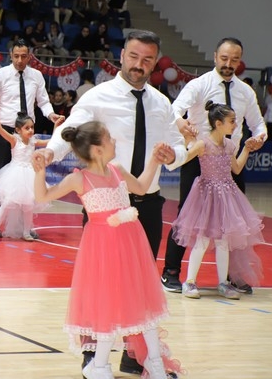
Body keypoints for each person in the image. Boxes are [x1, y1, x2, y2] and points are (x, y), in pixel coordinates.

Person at [33, 30, 187, 377]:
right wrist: (50, 153)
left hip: (145, 202)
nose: (139, 65)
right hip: (104, 209)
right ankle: (93, 357)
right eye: (134, 57)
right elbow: (70, 128)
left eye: (147, 59)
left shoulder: (161, 102)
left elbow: (177, 145)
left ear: (155, 62)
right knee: (100, 284)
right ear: (122, 55)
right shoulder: (99, 96)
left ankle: (137, 357)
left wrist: (171, 154)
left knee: (140, 285)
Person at [33, 121, 181, 379]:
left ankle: (154, 363)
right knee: (109, 303)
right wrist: (39, 171)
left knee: (140, 301)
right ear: (97, 149)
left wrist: (154, 162)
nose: (114, 142)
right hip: (103, 249)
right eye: (109, 139)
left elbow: (142, 188)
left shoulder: (117, 169)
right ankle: (99, 365)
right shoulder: (79, 178)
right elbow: (43, 196)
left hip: (131, 244)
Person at [161, 37, 267, 294]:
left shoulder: (245, 91)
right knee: (187, 218)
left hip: (229, 161)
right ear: (215, 56)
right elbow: (175, 109)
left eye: (234, 59)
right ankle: (171, 272)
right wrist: (181, 125)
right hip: (201, 159)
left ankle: (232, 276)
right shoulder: (199, 84)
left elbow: (258, 123)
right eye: (224, 58)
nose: (229, 64)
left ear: (240, 60)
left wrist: (259, 137)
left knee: (234, 222)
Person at [174, 101, 264, 300]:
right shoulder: (203, 144)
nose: (234, 124)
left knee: (224, 240)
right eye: (231, 121)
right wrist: (185, 139)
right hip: (207, 196)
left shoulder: (230, 144)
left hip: (227, 196)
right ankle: (189, 282)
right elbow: (184, 158)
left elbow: (237, 169)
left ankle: (223, 282)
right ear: (218, 123)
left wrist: (247, 150)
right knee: (203, 239)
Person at [0, 40, 62, 236]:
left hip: (28, 132)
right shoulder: (1, 74)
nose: (19, 60)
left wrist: (51, 115)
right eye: (16, 56)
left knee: (28, 181)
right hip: (7, 130)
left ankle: (26, 227)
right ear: (11, 55)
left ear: (29, 56)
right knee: (0, 177)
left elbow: (43, 101)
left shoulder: (36, 75)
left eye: (24, 56)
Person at [0, 111, 58, 241]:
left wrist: (56, 125)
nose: (30, 130)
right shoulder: (15, 140)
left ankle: (26, 232)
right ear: (18, 130)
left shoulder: (33, 141)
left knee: (28, 205)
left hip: (30, 175)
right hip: (14, 175)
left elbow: (52, 140)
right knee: (7, 202)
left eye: (32, 127)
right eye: (27, 128)